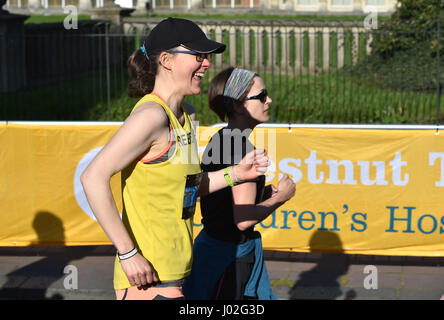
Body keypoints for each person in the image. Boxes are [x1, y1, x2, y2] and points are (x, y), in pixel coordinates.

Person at [80, 19, 270, 300]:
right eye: (197, 55)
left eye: (206, 57)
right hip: (148, 283)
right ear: (166, 60)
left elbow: (188, 187)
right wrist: (128, 253)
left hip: (178, 275)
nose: (206, 64)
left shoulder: (187, 114)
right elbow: (92, 177)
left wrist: (237, 173)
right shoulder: (151, 117)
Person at [183, 67, 296, 300]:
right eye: (261, 96)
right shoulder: (241, 149)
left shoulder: (223, 138)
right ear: (237, 105)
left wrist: (259, 193)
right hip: (229, 258)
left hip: (211, 249)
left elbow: (219, 196)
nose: (269, 100)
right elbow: (243, 220)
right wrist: (280, 197)